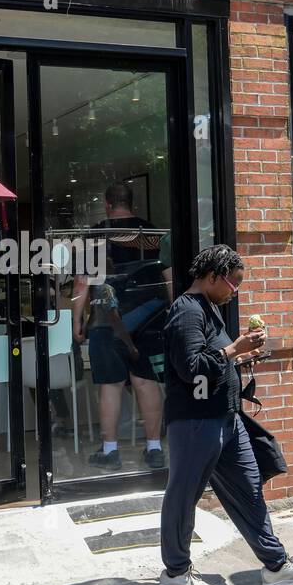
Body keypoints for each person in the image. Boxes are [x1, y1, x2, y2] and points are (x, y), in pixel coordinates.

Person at [157, 244, 293, 585]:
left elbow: (211, 364)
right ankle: (174, 573)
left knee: (249, 492)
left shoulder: (209, 309)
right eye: (234, 284)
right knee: (183, 497)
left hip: (226, 419)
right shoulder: (187, 312)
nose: (237, 291)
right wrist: (234, 349)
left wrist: (243, 355)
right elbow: (191, 369)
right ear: (214, 276)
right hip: (196, 422)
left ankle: (276, 567)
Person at [73, 183, 166, 470]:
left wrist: (76, 320)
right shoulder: (151, 233)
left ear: (107, 204)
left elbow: (82, 282)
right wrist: (174, 313)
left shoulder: (95, 235)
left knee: (110, 386)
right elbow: (170, 276)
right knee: (145, 382)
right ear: (132, 203)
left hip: (106, 319)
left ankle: (110, 451)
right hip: (149, 317)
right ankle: (154, 448)